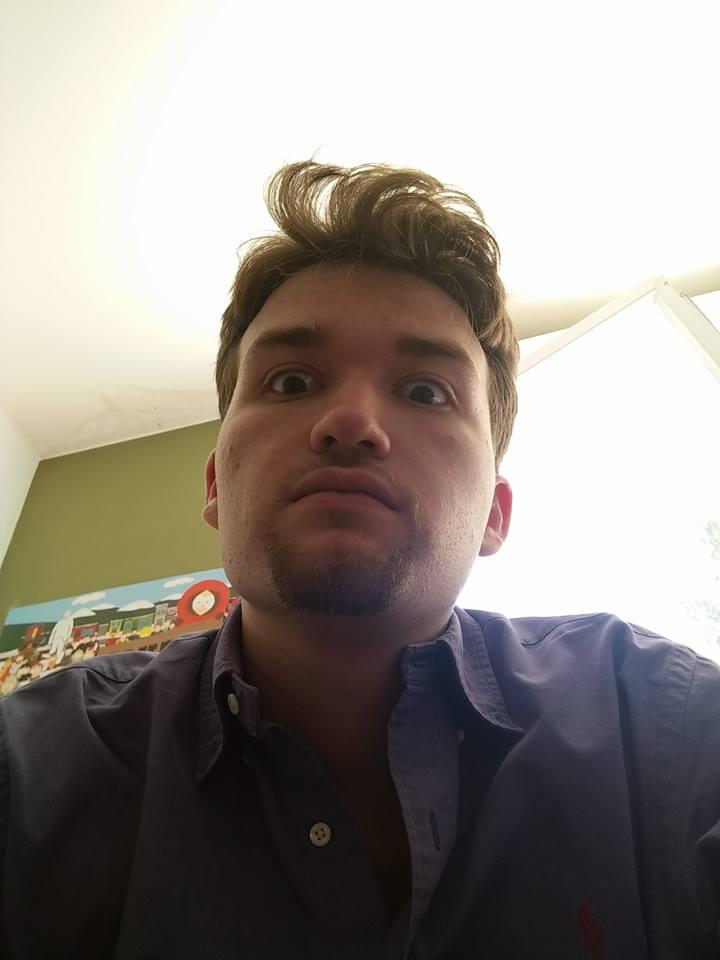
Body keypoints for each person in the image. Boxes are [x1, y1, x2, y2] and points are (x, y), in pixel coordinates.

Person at [1, 161, 719, 960]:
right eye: (292, 381)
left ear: (494, 514)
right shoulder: (34, 769)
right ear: (215, 487)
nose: (349, 421)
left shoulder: (664, 726)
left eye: (425, 392)